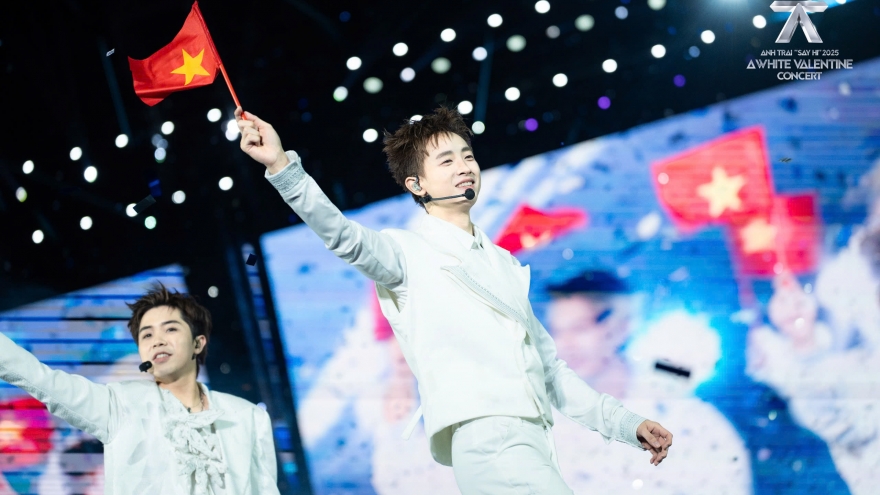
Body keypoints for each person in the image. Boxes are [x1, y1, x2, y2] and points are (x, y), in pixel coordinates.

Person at [236, 105, 672, 494]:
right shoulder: (405, 252)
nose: (464, 167)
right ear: (417, 184)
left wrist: (626, 424)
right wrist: (281, 165)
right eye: (446, 160)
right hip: (486, 439)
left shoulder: (502, 263)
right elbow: (341, 235)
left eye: (467, 156)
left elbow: (551, 371)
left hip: (533, 439)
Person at [0, 283, 279, 494]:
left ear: (198, 343)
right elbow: (42, 379)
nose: (157, 340)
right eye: (147, 335)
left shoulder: (248, 417)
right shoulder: (119, 405)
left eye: (170, 329)